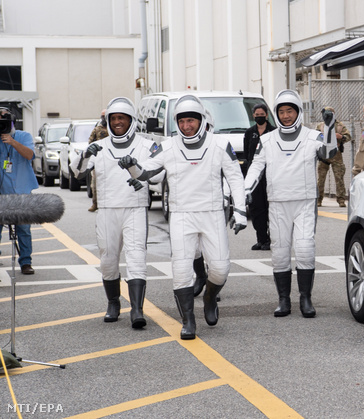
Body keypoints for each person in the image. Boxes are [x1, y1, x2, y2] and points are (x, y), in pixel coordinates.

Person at [119, 95, 247, 340]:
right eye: (182, 121)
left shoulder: (220, 145)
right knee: (181, 270)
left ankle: (209, 298)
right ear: (176, 122)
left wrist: (240, 210)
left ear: (201, 120)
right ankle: (188, 321)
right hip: (180, 215)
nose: (187, 126)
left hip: (212, 214)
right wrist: (131, 165)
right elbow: (145, 172)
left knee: (220, 268)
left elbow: (235, 178)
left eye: (192, 120)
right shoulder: (167, 147)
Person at [244, 89, 337, 318]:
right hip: (277, 202)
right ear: (276, 114)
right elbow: (256, 166)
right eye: (282, 112)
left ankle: (305, 298)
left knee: (305, 250)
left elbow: (329, 153)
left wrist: (330, 127)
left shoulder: (312, 136)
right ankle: (283, 300)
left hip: (304, 201)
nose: (286, 116)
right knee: (280, 253)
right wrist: (245, 190)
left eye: (290, 111)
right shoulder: (267, 140)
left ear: (298, 112)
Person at [71, 97, 159, 329]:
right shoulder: (100, 146)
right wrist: (85, 155)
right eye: (114, 118)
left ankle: (137, 310)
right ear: (108, 121)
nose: (118, 122)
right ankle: (113, 302)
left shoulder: (145, 145)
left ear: (131, 120)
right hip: (108, 210)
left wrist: (139, 173)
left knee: (136, 257)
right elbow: (77, 173)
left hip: (135, 208)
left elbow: (159, 174)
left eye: (122, 118)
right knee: (108, 260)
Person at [0, 107, 38, 275]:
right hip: (2, 193)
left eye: (5, 118)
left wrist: (12, 142)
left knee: (23, 228)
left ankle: (26, 262)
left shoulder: (24, 136)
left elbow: (30, 155)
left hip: (22, 192)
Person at [241, 104, 274, 250]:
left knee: (270, 208)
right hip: (254, 177)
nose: (259, 116)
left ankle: (271, 239)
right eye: (256, 114)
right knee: (256, 208)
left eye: (262, 114)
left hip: (270, 175)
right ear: (253, 116)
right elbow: (247, 154)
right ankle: (261, 238)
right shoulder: (249, 133)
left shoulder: (274, 132)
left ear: (266, 115)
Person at [316, 107, 352, 207]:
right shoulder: (321, 125)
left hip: (336, 155)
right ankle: (319, 199)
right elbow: (315, 137)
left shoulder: (340, 126)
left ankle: (341, 200)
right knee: (321, 179)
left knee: (339, 178)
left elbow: (348, 136)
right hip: (324, 155)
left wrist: (341, 137)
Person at [87, 108, 109, 212]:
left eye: (105, 116)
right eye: (102, 116)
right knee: (95, 183)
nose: (104, 118)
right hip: (99, 160)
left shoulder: (113, 129)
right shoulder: (97, 129)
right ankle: (95, 203)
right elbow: (90, 143)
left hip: (111, 160)